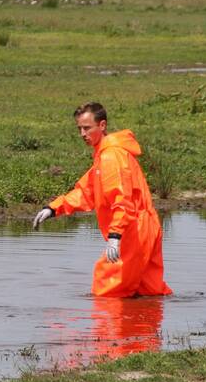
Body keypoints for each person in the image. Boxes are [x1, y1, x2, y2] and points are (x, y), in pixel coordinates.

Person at [32, 102, 171, 298]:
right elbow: (86, 192)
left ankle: (109, 329)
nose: (82, 134)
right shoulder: (105, 155)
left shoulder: (111, 157)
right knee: (149, 292)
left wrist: (115, 237)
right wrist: (54, 208)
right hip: (144, 227)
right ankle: (144, 328)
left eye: (87, 128)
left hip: (132, 231)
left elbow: (122, 200)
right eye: (79, 128)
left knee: (107, 291)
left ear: (102, 125)